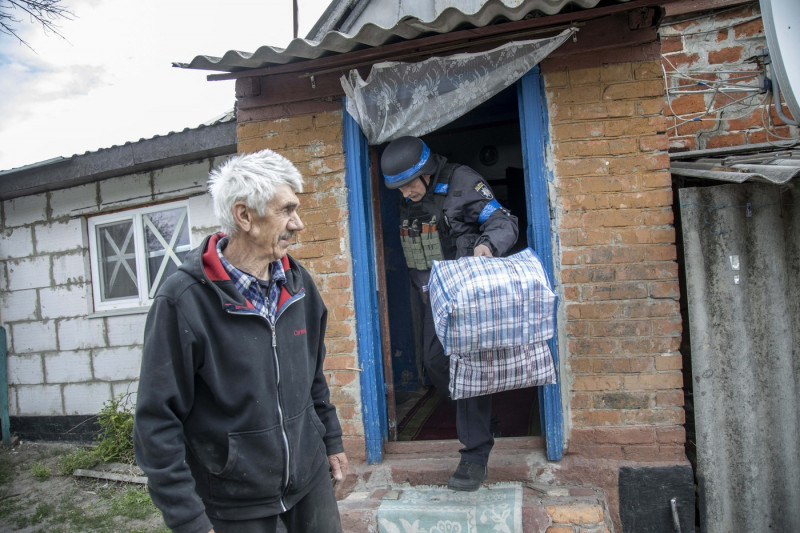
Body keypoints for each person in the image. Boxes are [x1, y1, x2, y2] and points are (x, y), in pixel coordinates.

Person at [133, 149, 348, 533]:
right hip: (234, 503)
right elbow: (156, 422)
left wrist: (330, 440)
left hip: (310, 483)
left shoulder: (299, 286)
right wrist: (187, 519)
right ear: (244, 216)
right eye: (286, 210)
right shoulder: (183, 302)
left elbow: (313, 376)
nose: (297, 224)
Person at [381, 136, 519, 491]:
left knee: (467, 366)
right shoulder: (409, 197)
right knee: (436, 363)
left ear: (427, 173)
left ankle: (475, 454)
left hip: (469, 289)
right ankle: (482, 420)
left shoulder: (462, 182)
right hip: (436, 294)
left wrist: (488, 247)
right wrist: (424, 289)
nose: (406, 192)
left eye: (410, 183)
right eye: (398, 187)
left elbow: (503, 220)